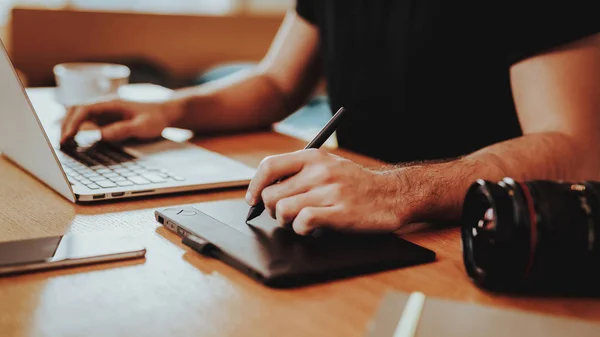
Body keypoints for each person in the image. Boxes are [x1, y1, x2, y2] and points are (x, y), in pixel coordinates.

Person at [61, 2, 600, 235]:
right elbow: (276, 82)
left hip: (477, 235)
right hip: (355, 225)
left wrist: (393, 192)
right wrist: (170, 108)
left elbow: (575, 146)